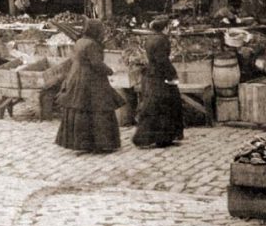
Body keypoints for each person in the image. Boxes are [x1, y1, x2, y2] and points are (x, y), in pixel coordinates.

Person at [55, 19, 125, 153]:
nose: (102, 33)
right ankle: (100, 143)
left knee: (81, 108)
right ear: (95, 30)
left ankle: (83, 143)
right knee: (98, 108)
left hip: (76, 78)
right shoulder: (92, 44)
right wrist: (110, 71)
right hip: (90, 81)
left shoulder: (80, 41)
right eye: (100, 30)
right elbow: (96, 64)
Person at [132, 19, 184, 148]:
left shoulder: (150, 39)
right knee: (165, 105)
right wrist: (171, 74)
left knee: (156, 106)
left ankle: (152, 137)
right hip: (160, 77)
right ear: (165, 28)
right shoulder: (162, 39)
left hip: (152, 75)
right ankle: (160, 138)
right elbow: (162, 60)